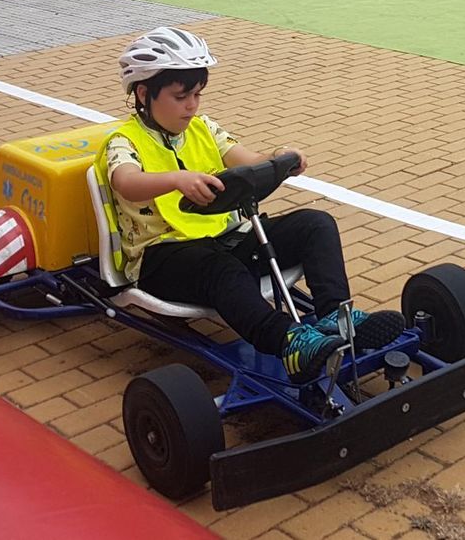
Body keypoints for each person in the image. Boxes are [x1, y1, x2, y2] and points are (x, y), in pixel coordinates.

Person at [99, 28, 405, 385]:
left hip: (224, 239)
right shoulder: (123, 141)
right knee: (221, 269)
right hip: (163, 258)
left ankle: (337, 318)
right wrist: (177, 179)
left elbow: (247, 162)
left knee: (315, 224)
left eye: (197, 95)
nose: (192, 105)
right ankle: (288, 342)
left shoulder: (203, 129)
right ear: (143, 93)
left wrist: (280, 159)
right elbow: (126, 181)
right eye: (181, 96)